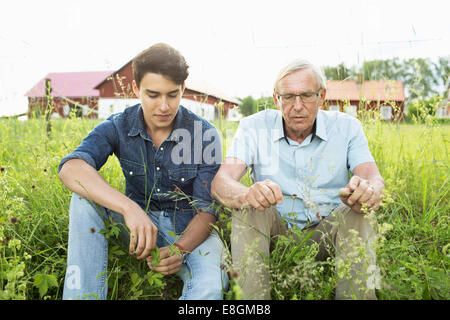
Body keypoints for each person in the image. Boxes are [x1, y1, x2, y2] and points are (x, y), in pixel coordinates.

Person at [58, 43, 228, 300]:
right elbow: (71, 168)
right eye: (153, 95)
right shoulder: (119, 125)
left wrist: (181, 249)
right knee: (82, 198)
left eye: (172, 94)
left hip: (190, 231)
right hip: (135, 227)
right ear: (136, 89)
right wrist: (129, 208)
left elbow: (208, 211)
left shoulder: (205, 134)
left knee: (211, 287)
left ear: (183, 88)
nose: (163, 106)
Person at [211, 59, 385, 300]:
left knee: (359, 210)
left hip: (330, 233)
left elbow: (372, 177)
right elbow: (222, 181)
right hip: (276, 234)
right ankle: (252, 302)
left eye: (306, 96)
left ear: (322, 96)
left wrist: (368, 190)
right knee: (248, 205)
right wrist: (247, 193)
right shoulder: (253, 127)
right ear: (276, 99)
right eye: (289, 97)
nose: (298, 106)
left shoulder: (347, 127)